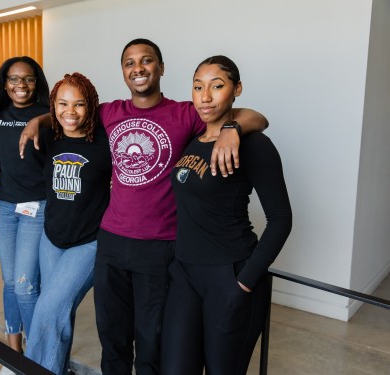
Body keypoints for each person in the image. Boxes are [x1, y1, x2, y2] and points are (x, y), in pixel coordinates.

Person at [19, 38, 268, 375]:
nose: (138, 68)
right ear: (123, 72)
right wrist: (38, 121)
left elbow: (257, 117)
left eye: (146, 60)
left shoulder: (185, 112)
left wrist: (232, 128)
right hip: (111, 241)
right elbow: (69, 112)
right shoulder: (110, 111)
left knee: (151, 340)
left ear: (161, 68)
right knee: (113, 338)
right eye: (129, 62)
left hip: (160, 246)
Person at [160, 55, 292, 374]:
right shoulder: (193, 142)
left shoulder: (255, 145)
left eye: (216, 86)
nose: (205, 96)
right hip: (185, 275)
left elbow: (281, 219)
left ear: (237, 89)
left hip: (230, 275)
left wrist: (244, 283)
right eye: (197, 87)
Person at [24, 72, 112, 375]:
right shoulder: (49, 136)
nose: (70, 112)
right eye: (62, 104)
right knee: (59, 312)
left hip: (88, 242)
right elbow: (49, 119)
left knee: (48, 309)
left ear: (91, 107)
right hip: (52, 238)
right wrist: (39, 121)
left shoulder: (105, 140)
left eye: (79, 104)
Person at [0, 56, 50, 361]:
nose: (20, 85)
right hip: (1, 206)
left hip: (36, 207)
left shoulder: (48, 114)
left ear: (36, 82)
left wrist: (39, 121)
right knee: (11, 282)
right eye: (13, 79)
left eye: (27, 78)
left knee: (26, 286)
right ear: (5, 83)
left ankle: (37, 356)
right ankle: (14, 353)